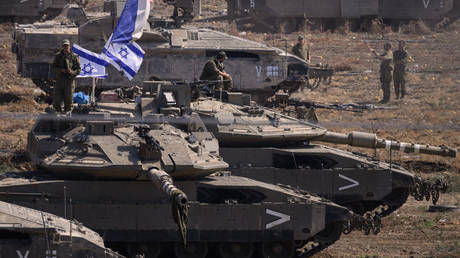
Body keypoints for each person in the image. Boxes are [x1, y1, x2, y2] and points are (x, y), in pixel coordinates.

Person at [52, 39, 81, 113]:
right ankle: (57, 114)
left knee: (69, 100)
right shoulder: (58, 56)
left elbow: (78, 70)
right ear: (62, 47)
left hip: (69, 81)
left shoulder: (74, 56)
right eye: (64, 46)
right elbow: (53, 68)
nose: (66, 47)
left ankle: (67, 116)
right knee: (56, 100)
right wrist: (60, 70)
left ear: (69, 46)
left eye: (67, 46)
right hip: (59, 80)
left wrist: (71, 72)